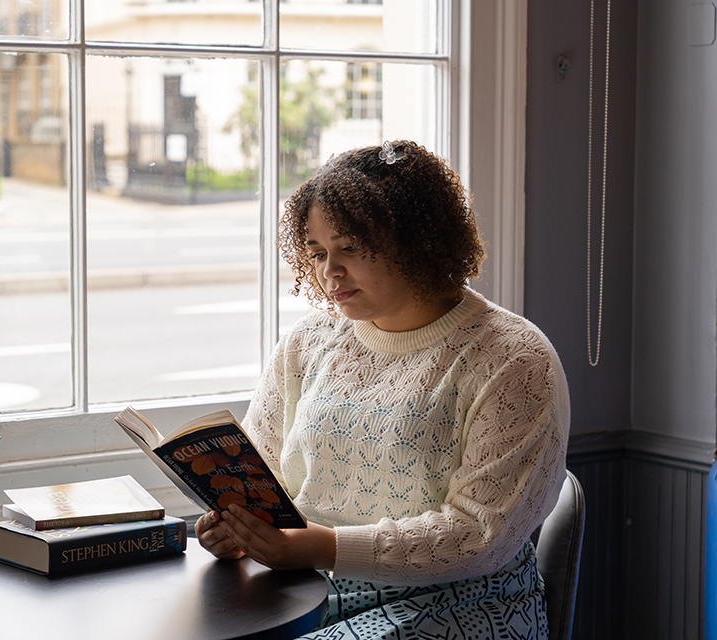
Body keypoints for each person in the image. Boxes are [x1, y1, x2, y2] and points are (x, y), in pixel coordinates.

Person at [194, 140, 570, 639]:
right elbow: (261, 473)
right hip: (301, 590)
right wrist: (238, 530)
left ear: (420, 241)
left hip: (461, 604)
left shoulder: (512, 357)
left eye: (349, 247)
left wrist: (317, 547)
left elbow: (479, 537)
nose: (329, 271)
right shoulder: (308, 341)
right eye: (317, 251)